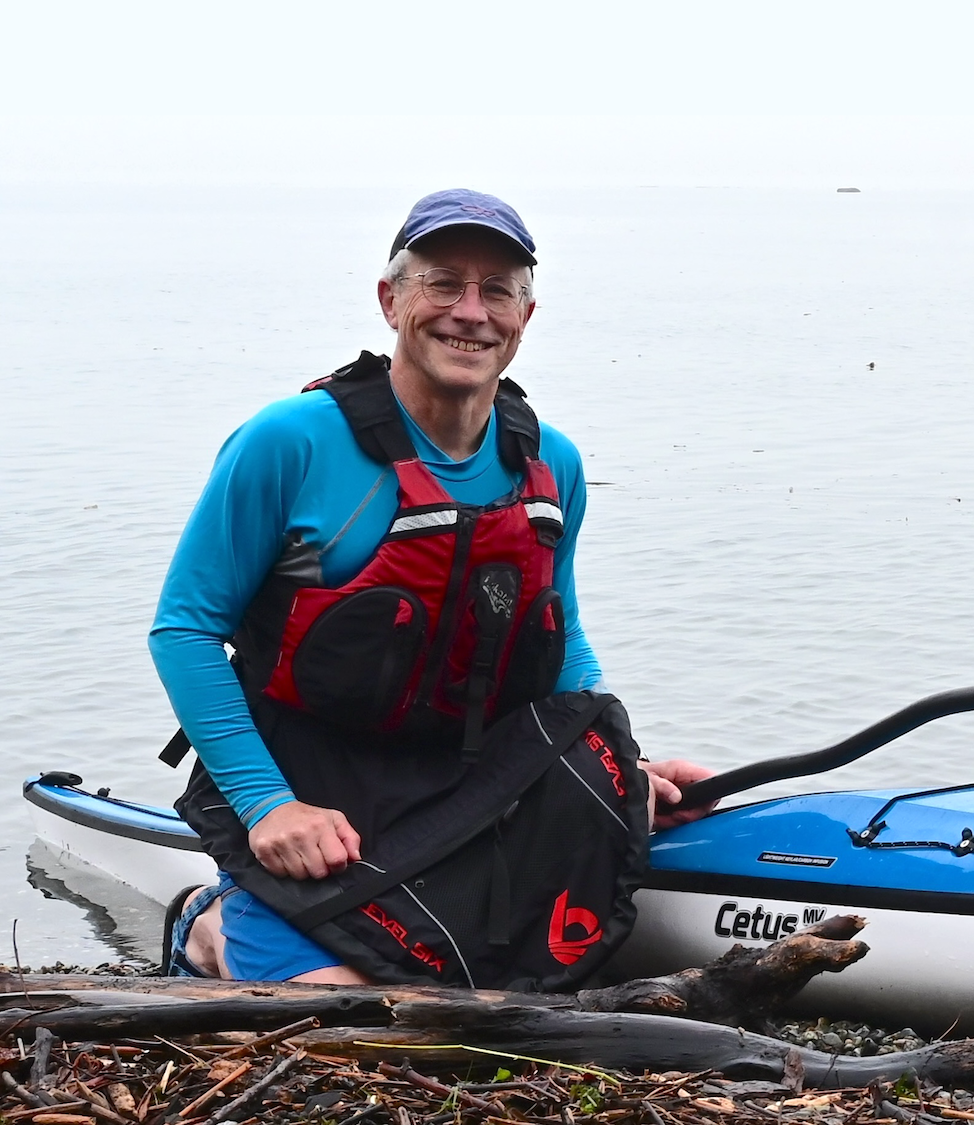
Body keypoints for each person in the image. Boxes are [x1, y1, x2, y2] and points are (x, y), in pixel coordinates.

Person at [151, 189, 711, 984]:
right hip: (315, 788)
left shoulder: (554, 463)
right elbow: (185, 630)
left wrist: (622, 766)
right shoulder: (288, 442)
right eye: (443, 283)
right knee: (348, 1013)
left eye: (499, 290)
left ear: (527, 313)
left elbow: (562, 634)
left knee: (523, 975)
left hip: (468, 784)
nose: (471, 312)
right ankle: (207, 926)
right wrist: (267, 806)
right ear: (391, 300)